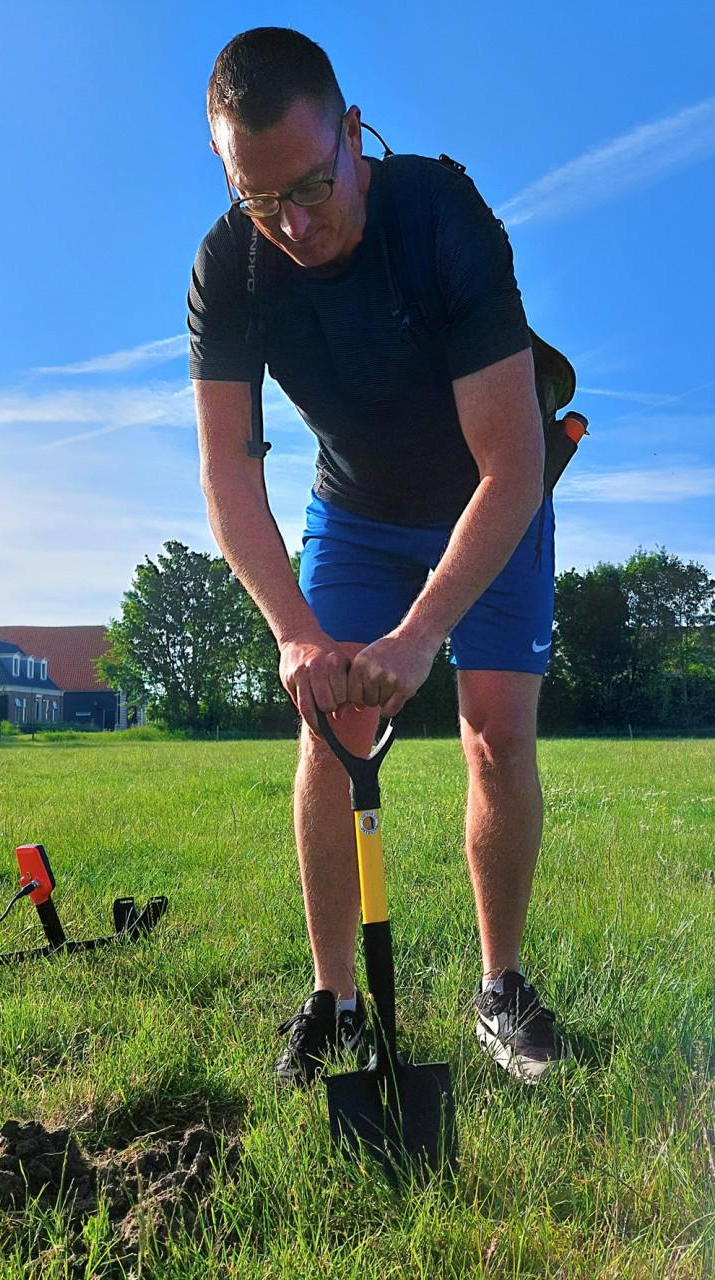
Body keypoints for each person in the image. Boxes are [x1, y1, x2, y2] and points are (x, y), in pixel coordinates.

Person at [188, 27, 571, 1086]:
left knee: (494, 734)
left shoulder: (438, 215)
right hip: (353, 510)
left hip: (488, 499)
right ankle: (335, 999)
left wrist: (420, 631)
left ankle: (500, 988)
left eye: (312, 186)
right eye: (260, 199)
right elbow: (228, 475)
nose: (293, 224)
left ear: (352, 135)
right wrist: (294, 635)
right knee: (329, 734)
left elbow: (512, 466)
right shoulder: (231, 265)